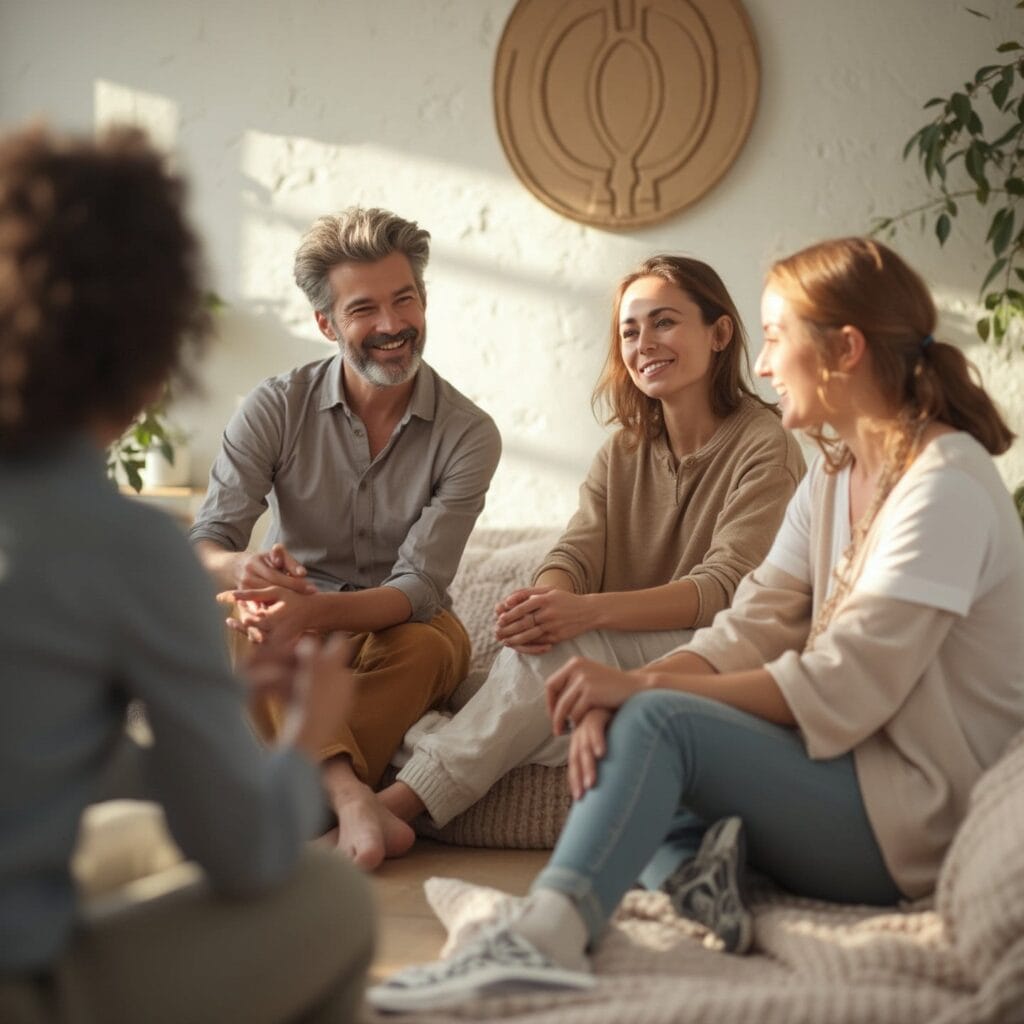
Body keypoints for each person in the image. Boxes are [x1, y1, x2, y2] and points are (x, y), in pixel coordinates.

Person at [367, 237, 1024, 1013]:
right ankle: (694, 878)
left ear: (845, 350)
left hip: (910, 820)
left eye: (776, 338)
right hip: (837, 773)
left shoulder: (942, 486)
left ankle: (543, 938)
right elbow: (750, 624)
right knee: (636, 733)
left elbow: (842, 685)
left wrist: (641, 691)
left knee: (657, 723)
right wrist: (626, 686)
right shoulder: (833, 474)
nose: (766, 364)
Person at [0, 127, 374, 1023]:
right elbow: (244, 852)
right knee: (331, 898)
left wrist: (210, 695)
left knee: (132, 835)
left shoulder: (464, 431)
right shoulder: (125, 544)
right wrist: (304, 736)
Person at [376, 255, 805, 840]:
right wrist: (545, 606)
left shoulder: (766, 444)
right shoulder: (622, 450)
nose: (643, 343)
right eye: (630, 331)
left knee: (552, 666)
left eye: (664, 322)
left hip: (717, 657)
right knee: (502, 686)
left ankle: (394, 805)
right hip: (622, 654)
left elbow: (724, 588)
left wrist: (583, 614)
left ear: (720, 333)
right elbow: (574, 555)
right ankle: (447, 751)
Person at [189, 207, 502, 869]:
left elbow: (419, 588)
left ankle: (296, 809)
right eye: (364, 309)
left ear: (423, 300)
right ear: (327, 324)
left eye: (404, 299)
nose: (391, 325)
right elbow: (207, 541)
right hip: (289, 625)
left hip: (399, 624)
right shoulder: (275, 407)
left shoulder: (469, 433)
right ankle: (355, 801)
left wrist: (314, 613)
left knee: (428, 646)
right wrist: (244, 570)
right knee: (244, 617)